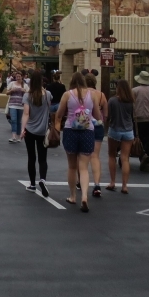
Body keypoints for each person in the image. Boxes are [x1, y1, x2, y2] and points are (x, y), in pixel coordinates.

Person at [56, 72, 100, 212]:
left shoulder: (67, 95)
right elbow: (97, 115)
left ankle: (73, 196)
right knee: (84, 167)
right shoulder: (93, 95)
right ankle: (85, 196)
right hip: (87, 131)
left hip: (71, 130)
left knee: (72, 166)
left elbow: (59, 114)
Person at [20, 70, 51, 196]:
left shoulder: (27, 96)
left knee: (31, 157)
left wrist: (23, 129)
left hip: (30, 130)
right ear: (42, 81)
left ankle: (32, 184)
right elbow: (49, 109)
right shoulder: (48, 94)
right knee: (43, 158)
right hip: (43, 130)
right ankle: (42, 179)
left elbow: (26, 113)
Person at [106, 79, 136, 194]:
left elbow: (108, 116)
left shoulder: (112, 100)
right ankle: (124, 186)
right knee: (125, 158)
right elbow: (133, 117)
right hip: (128, 131)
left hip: (115, 129)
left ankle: (112, 182)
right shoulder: (131, 101)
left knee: (112, 155)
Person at [84, 73, 108, 197]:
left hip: (84, 125)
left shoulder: (82, 93)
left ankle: (80, 181)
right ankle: (97, 184)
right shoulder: (101, 95)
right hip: (98, 125)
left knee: (82, 155)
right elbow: (106, 113)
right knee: (95, 156)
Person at [5, 71, 27, 143]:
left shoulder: (25, 85)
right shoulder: (12, 84)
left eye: (19, 76)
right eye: (17, 76)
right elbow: (7, 93)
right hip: (12, 105)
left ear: (22, 77)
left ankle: (18, 136)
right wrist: (12, 90)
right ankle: (13, 136)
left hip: (21, 106)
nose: (18, 78)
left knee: (19, 121)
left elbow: (29, 95)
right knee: (13, 120)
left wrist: (24, 91)